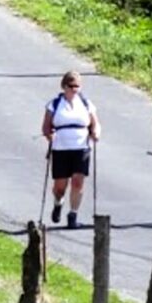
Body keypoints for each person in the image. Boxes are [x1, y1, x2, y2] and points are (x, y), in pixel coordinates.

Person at [40, 71, 100, 228]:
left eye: (77, 86)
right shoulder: (54, 104)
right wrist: (49, 136)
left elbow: (95, 123)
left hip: (81, 147)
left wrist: (96, 133)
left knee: (78, 182)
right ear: (64, 86)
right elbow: (46, 126)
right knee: (60, 186)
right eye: (71, 86)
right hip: (61, 148)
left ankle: (73, 214)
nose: (75, 89)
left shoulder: (86, 103)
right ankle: (58, 203)